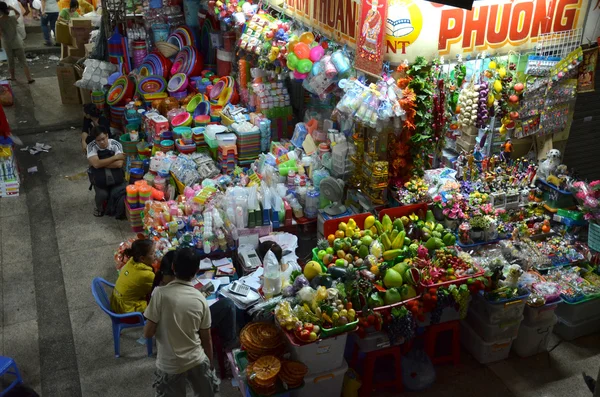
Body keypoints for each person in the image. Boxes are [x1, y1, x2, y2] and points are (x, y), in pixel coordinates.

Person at [144, 248, 215, 397]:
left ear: (173, 268)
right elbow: (206, 338)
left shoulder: (159, 294)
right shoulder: (201, 299)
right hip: (196, 359)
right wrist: (211, 364)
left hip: (170, 364)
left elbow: (148, 333)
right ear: (196, 271)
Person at [154, 250, 238, 350]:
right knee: (228, 304)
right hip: (188, 331)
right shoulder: (173, 291)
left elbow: (149, 330)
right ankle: (230, 342)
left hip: (176, 330)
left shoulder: (159, 287)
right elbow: (205, 336)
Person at [86, 126, 125, 217]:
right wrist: (115, 157)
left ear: (107, 136)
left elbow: (119, 164)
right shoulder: (91, 146)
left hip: (116, 178)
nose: (102, 142)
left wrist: (100, 163)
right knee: (102, 195)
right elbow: (96, 164)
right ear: (95, 140)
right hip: (99, 179)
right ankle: (99, 207)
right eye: (98, 140)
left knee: (118, 193)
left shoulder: (115, 144)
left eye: (103, 138)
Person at [110, 239, 155, 314]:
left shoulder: (131, 260)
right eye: (152, 253)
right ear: (142, 258)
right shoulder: (147, 275)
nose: (155, 254)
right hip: (126, 310)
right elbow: (157, 290)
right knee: (160, 304)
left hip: (116, 301)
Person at [0, 2, 34, 83]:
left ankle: (12, 77)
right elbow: (18, 14)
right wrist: (12, 8)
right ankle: (29, 78)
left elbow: (0, 33)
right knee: (23, 61)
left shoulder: (0, 20)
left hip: (7, 43)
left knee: (10, 61)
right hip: (17, 41)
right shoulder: (12, 18)